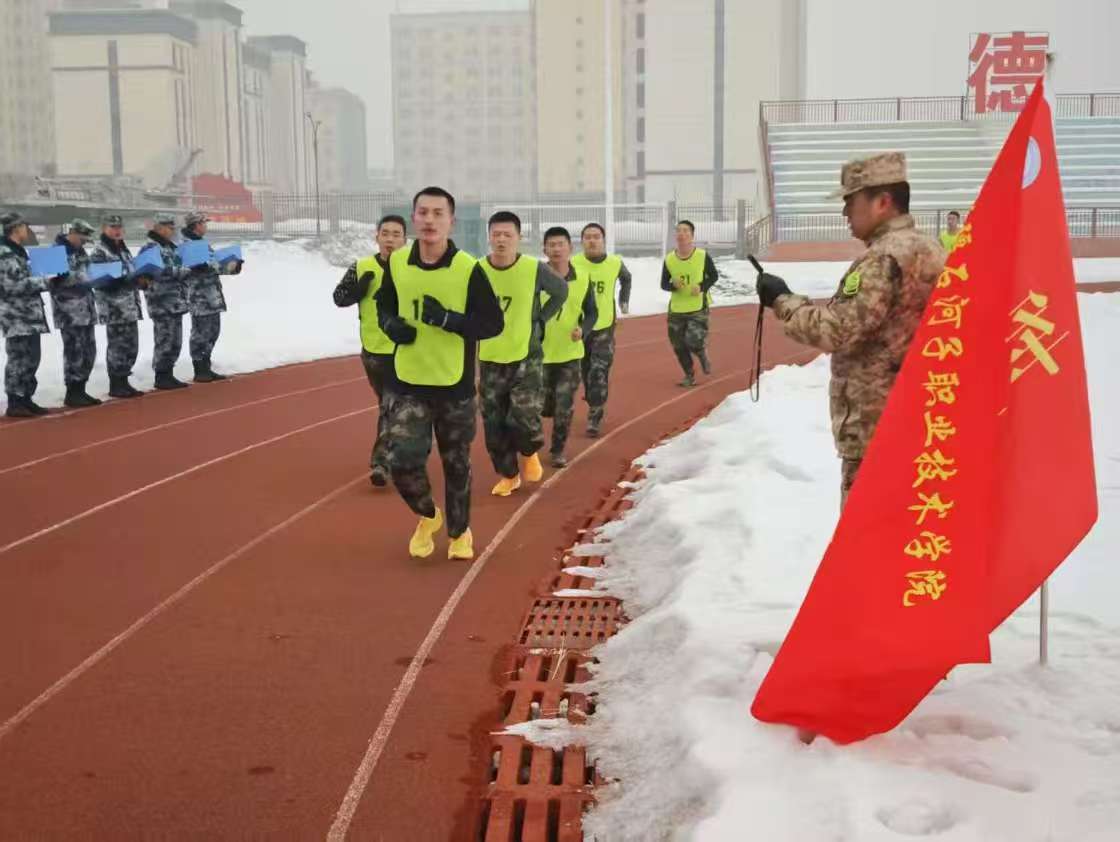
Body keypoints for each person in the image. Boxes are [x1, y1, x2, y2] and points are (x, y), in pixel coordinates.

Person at [755, 152, 946, 508]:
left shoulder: (883, 258)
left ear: (882, 202)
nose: (845, 212)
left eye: (850, 201)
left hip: (876, 427)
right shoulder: (932, 248)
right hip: (918, 419)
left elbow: (838, 330)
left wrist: (783, 300)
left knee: (868, 533)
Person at [375, 187, 503, 560]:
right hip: (407, 382)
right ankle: (429, 515)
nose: (429, 220)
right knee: (401, 461)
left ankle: (460, 533)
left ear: (451, 221)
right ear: (413, 217)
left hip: (453, 385)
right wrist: (390, 325)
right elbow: (384, 304)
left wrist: (449, 320)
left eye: (438, 213)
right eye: (423, 212)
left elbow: (492, 323)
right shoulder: (398, 262)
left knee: (456, 465)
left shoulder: (468, 269)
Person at [477, 211, 568, 496]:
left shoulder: (533, 268)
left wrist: (540, 319)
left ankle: (529, 452)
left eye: (508, 235)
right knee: (494, 425)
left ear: (519, 238)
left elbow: (561, 291)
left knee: (524, 415)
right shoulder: (478, 270)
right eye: (496, 234)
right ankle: (509, 475)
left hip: (525, 356)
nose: (501, 240)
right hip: (490, 358)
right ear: (489, 237)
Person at [333, 214, 408, 487]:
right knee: (388, 406)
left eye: (396, 234)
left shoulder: (414, 268)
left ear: (405, 240)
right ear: (376, 237)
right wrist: (358, 290)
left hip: (405, 350)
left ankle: (382, 463)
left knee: (392, 405)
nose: (390, 239)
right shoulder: (362, 267)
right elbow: (339, 298)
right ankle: (400, 452)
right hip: (374, 352)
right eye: (385, 233)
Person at [540, 226, 597, 467]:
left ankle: (557, 451)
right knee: (540, 407)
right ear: (544, 249)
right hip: (538, 355)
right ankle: (531, 444)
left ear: (570, 248)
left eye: (560, 244)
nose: (556, 249)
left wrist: (583, 330)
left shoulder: (582, 278)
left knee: (564, 406)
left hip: (570, 355)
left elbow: (592, 312)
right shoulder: (536, 277)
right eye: (551, 245)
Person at [571, 222, 632, 437]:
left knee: (598, 371)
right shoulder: (573, 263)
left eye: (596, 237)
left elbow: (627, 278)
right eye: (587, 237)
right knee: (586, 371)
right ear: (582, 241)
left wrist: (623, 300)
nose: (592, 241)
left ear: (603, 240)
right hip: (579, 328)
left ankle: (594, 416)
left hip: (604, 327)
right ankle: (593, 399)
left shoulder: (614, 263)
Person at [1, 212, 52, 417]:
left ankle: (25, 398)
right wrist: (45, 281)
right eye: (24, 226)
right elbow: (10, 285)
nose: (26, 229)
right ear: (15, 228)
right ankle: (15, 401)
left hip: (29, 315)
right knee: (18, 359)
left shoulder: (18, 251)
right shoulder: (4, 253)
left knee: (31, 358)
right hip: (16, 316)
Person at [181, 211, 242, 383]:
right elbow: (185, 269)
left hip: (212, 296)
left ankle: (206, 365)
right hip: (199, 296)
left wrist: (233, 265)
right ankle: (199, 368)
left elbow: (213, 265)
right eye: (203, 223)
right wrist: (197, 267)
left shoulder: (202, 243)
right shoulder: (186, 245)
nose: (206, 226)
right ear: (196, 225)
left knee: (213, 332)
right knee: (200, 333)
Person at [90, 214, 144, 398]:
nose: (117, 230)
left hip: (129, 305)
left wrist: (139, 278)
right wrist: (122, 278)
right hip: (114, 307)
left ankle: (124, 379)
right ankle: (116, 383)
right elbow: (98, 279)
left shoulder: (123, 249)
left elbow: (130, 271)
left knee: (131, 345)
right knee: (117, 346)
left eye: (119, 227)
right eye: (112, 227)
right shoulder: (100, 251)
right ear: (104, 228)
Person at [49, 218, 101, 407]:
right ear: (73, 233)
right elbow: (54, 279)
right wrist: (85, 277)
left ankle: (81, 389)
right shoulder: (56, 252)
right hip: (69, 311)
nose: (84, 243)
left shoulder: (80, 252)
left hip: (86, 309)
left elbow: (88, 273)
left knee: (88, 350)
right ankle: (72, 392)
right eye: (82, 239)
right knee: (74, 351)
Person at [660, 219, 719, 387]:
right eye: (679, 231)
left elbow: (713, 276)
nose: (682, 234)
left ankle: (701, 353)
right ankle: (689, 375)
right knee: (678, 345)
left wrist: (701, 287)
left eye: (686, 231)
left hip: (697, 307)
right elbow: (663, 284)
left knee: (693, 340)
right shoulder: (669, 259)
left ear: (692, 236)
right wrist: (673, 285)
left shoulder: (702, 256)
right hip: (676, 309)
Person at [139, 212, 193, 390]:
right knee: (165, 339)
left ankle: (168, 373)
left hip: (175, 301)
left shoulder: (170, 247)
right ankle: (161, 375)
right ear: (159, 228)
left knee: (175, 340)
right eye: (169, 228)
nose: (172, 231)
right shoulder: (150, 249)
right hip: (161, 302)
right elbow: (157, 271)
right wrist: (183, 270)